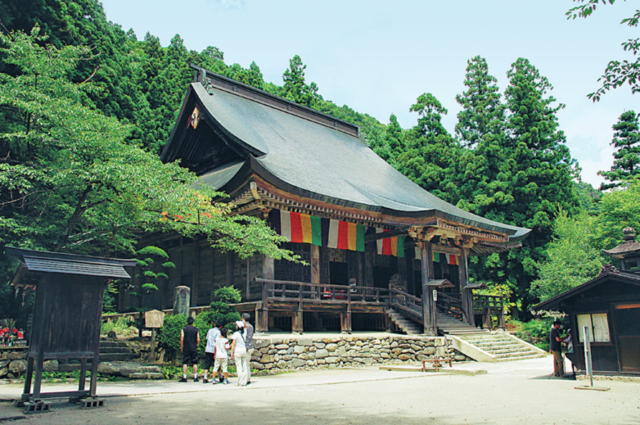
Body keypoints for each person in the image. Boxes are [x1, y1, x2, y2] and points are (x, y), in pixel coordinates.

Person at [180, 316, 200, 382]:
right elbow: (198, 339)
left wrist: (181, 346)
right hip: (193, 347)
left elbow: (181, 339)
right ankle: (195, 377)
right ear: (193, 322)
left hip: (186, 347)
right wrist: (195, 345)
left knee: (185, 362)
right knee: (194, 362)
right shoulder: (196, 330)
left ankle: (184, 377)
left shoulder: (184, 329)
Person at [230, 320, 248, 387]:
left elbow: (233, 344)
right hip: (244, 350)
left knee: (239, 366)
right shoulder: (245, 332)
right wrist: (244, 321)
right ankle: (244, 381)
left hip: (237, 351)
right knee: (244, 366)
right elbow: (245, 326)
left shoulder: (236, 334)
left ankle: (240, 382)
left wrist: (232, 352)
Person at [242, 313, 254, 384]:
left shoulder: (246, 326)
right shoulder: (251, 326)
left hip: (246, 347)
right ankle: (248, 378)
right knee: (247, 364)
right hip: (250, 346)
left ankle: (246, 379)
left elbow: (246, 337)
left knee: (245, 364)